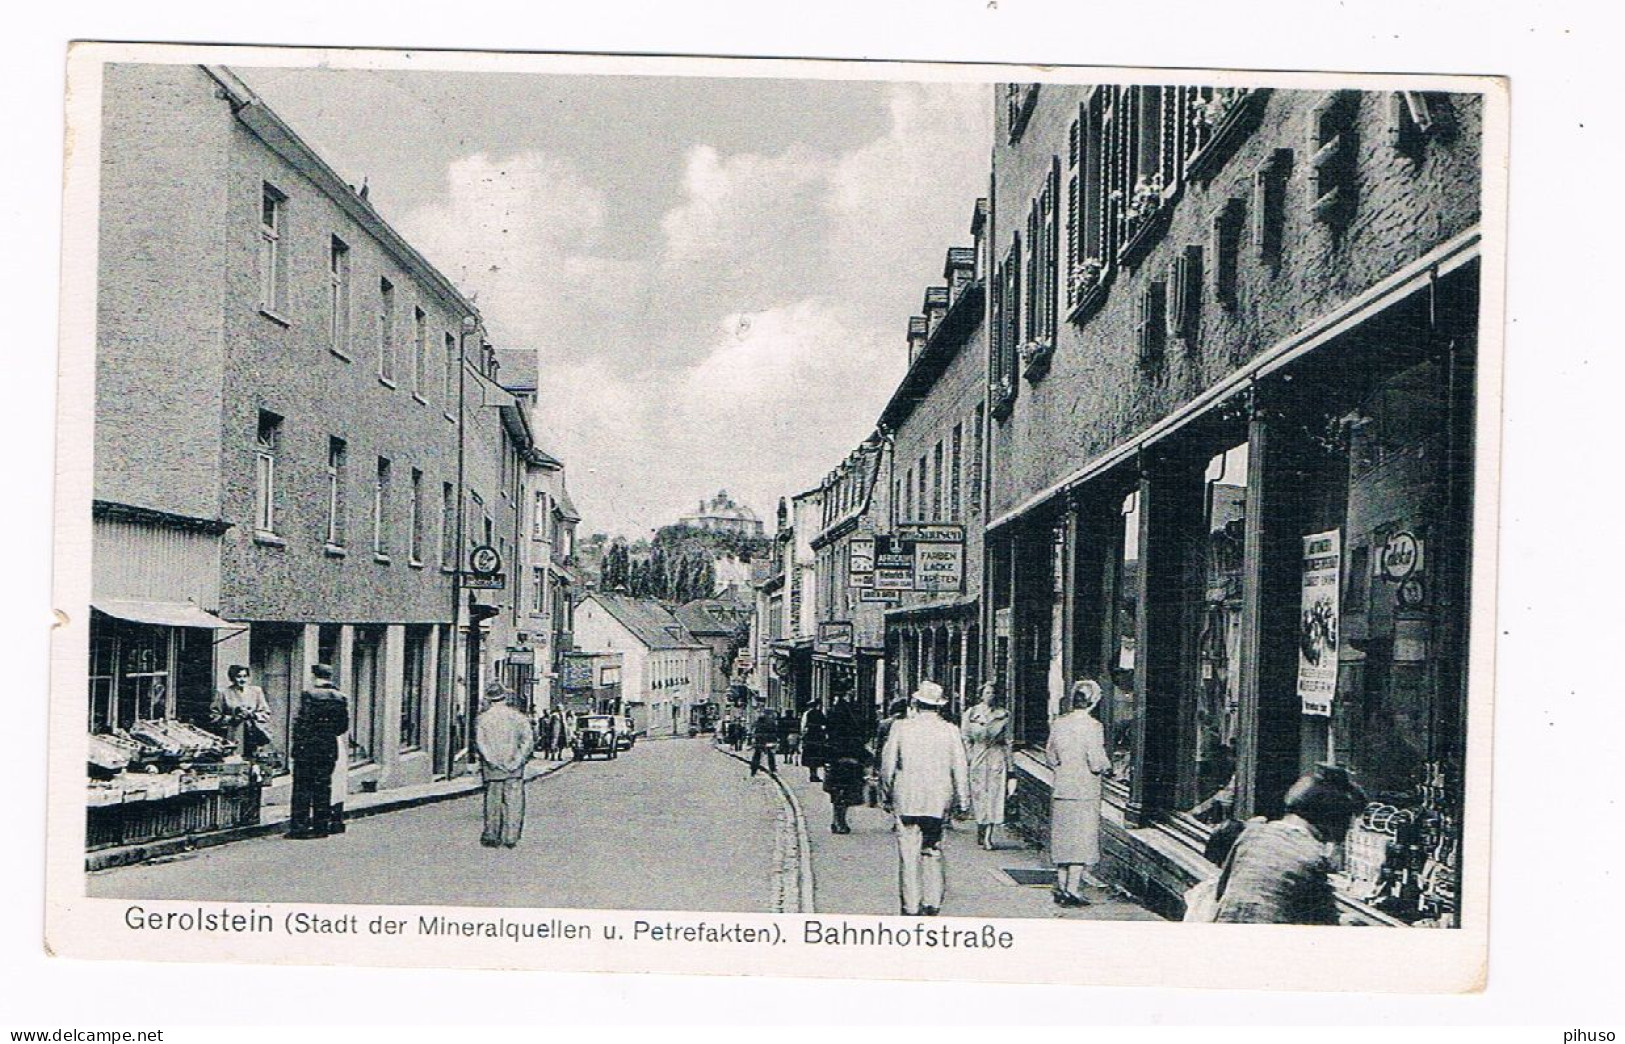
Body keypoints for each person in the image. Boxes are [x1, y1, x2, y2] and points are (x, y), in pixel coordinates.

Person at [1212, 764, 1367, 925]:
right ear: (1332, 819)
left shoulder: (1252, 834)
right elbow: (1322, 922)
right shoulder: (1311, 856)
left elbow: (1221, 892)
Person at [880, 681, 970, 917]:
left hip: (907, 799)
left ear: (916, 704)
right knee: (933, 850)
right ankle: (932, 902)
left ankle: (911, 906)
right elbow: (960, 767)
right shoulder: (950, 731)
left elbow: (888, 764)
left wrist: (886, 791)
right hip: (937, 802)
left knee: (908, 855)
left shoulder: (901, 728)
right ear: (939, 707)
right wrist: (964, 800)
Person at [1046, 679, 1112, 906]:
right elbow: (1095, 762)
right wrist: (1108, 765)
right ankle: (1073, 889)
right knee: (1080, 840)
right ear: (1093, 702)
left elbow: (1051, 756)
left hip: (1062, 787)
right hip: (1085, 790)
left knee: (1063, 839)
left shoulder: (1059, 723)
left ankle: (1062, 886)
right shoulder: (1093, 727)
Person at [287, 663, 349, 840]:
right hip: (328, 748)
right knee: (323, 787)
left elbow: (302, 723)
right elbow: (342, 727)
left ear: (315, 677)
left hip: (307, 748)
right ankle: (321, 826)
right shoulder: (340, 697)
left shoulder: (309, 694)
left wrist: (298, 743)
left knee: (302, 788)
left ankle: (300, 827)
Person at [476, 682, 537, 849]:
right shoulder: (517, 717)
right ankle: (511, 836)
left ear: (489, 699)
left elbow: (481, 744)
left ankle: (492, 834)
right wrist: (516, 761)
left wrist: (492, 761)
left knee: (492, 802)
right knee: (514, 802)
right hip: (514, 769)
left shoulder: (483, 719)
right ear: (505, 697)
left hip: (493, 769)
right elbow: (527, 741)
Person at [961, 682, 1012, 850]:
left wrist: (1010, 766)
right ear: (981, 695)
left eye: (993, 693)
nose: (990, 695)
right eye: (987, 692)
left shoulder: (1003, 715)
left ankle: (989, 835)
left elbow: (1007, 742)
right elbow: (966, 737)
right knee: (979, 794)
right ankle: (980, 827)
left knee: (995, 795)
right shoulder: (972, 714)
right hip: (978, 756)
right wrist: (969, 757)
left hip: (996, 757)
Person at [821, 694, 868, 834]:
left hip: (837, 759)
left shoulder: (834, 720)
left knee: (837, 792)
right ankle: (839, 821)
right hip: (849, 760)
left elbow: (827, 740)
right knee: (845, 793)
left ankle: (837, 820)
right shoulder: (852, 721)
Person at [210, 664, 272, 760]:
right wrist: (232, 718)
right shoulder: (223, 693)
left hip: (253, 735)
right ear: (232, 678)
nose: (242, 680)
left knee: (254, 763)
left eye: (245, 676)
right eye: (238, 677)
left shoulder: (256, 691)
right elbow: (214, 716)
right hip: (232, 735)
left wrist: (253, 715)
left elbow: (266, 713)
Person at [801, 702, 829, 783]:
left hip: (810, 737)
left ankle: (813, 774)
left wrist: (803, 735)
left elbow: (804, 726)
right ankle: (814, 775)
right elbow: (825, 723)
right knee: (816, 757)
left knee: (811, 758)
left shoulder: (808, 714)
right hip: (817, 738)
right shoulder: (819, 713)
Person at [749, 702, 779, 777]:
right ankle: (772, 769)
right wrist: (775, 740)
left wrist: (754, 738)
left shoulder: (758, 721)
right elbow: (774, 731)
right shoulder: (771, 722)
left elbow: (754, 729)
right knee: (770, 754)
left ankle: (753, 770)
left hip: (759, 740)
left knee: (757, 754)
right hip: (768, 740)